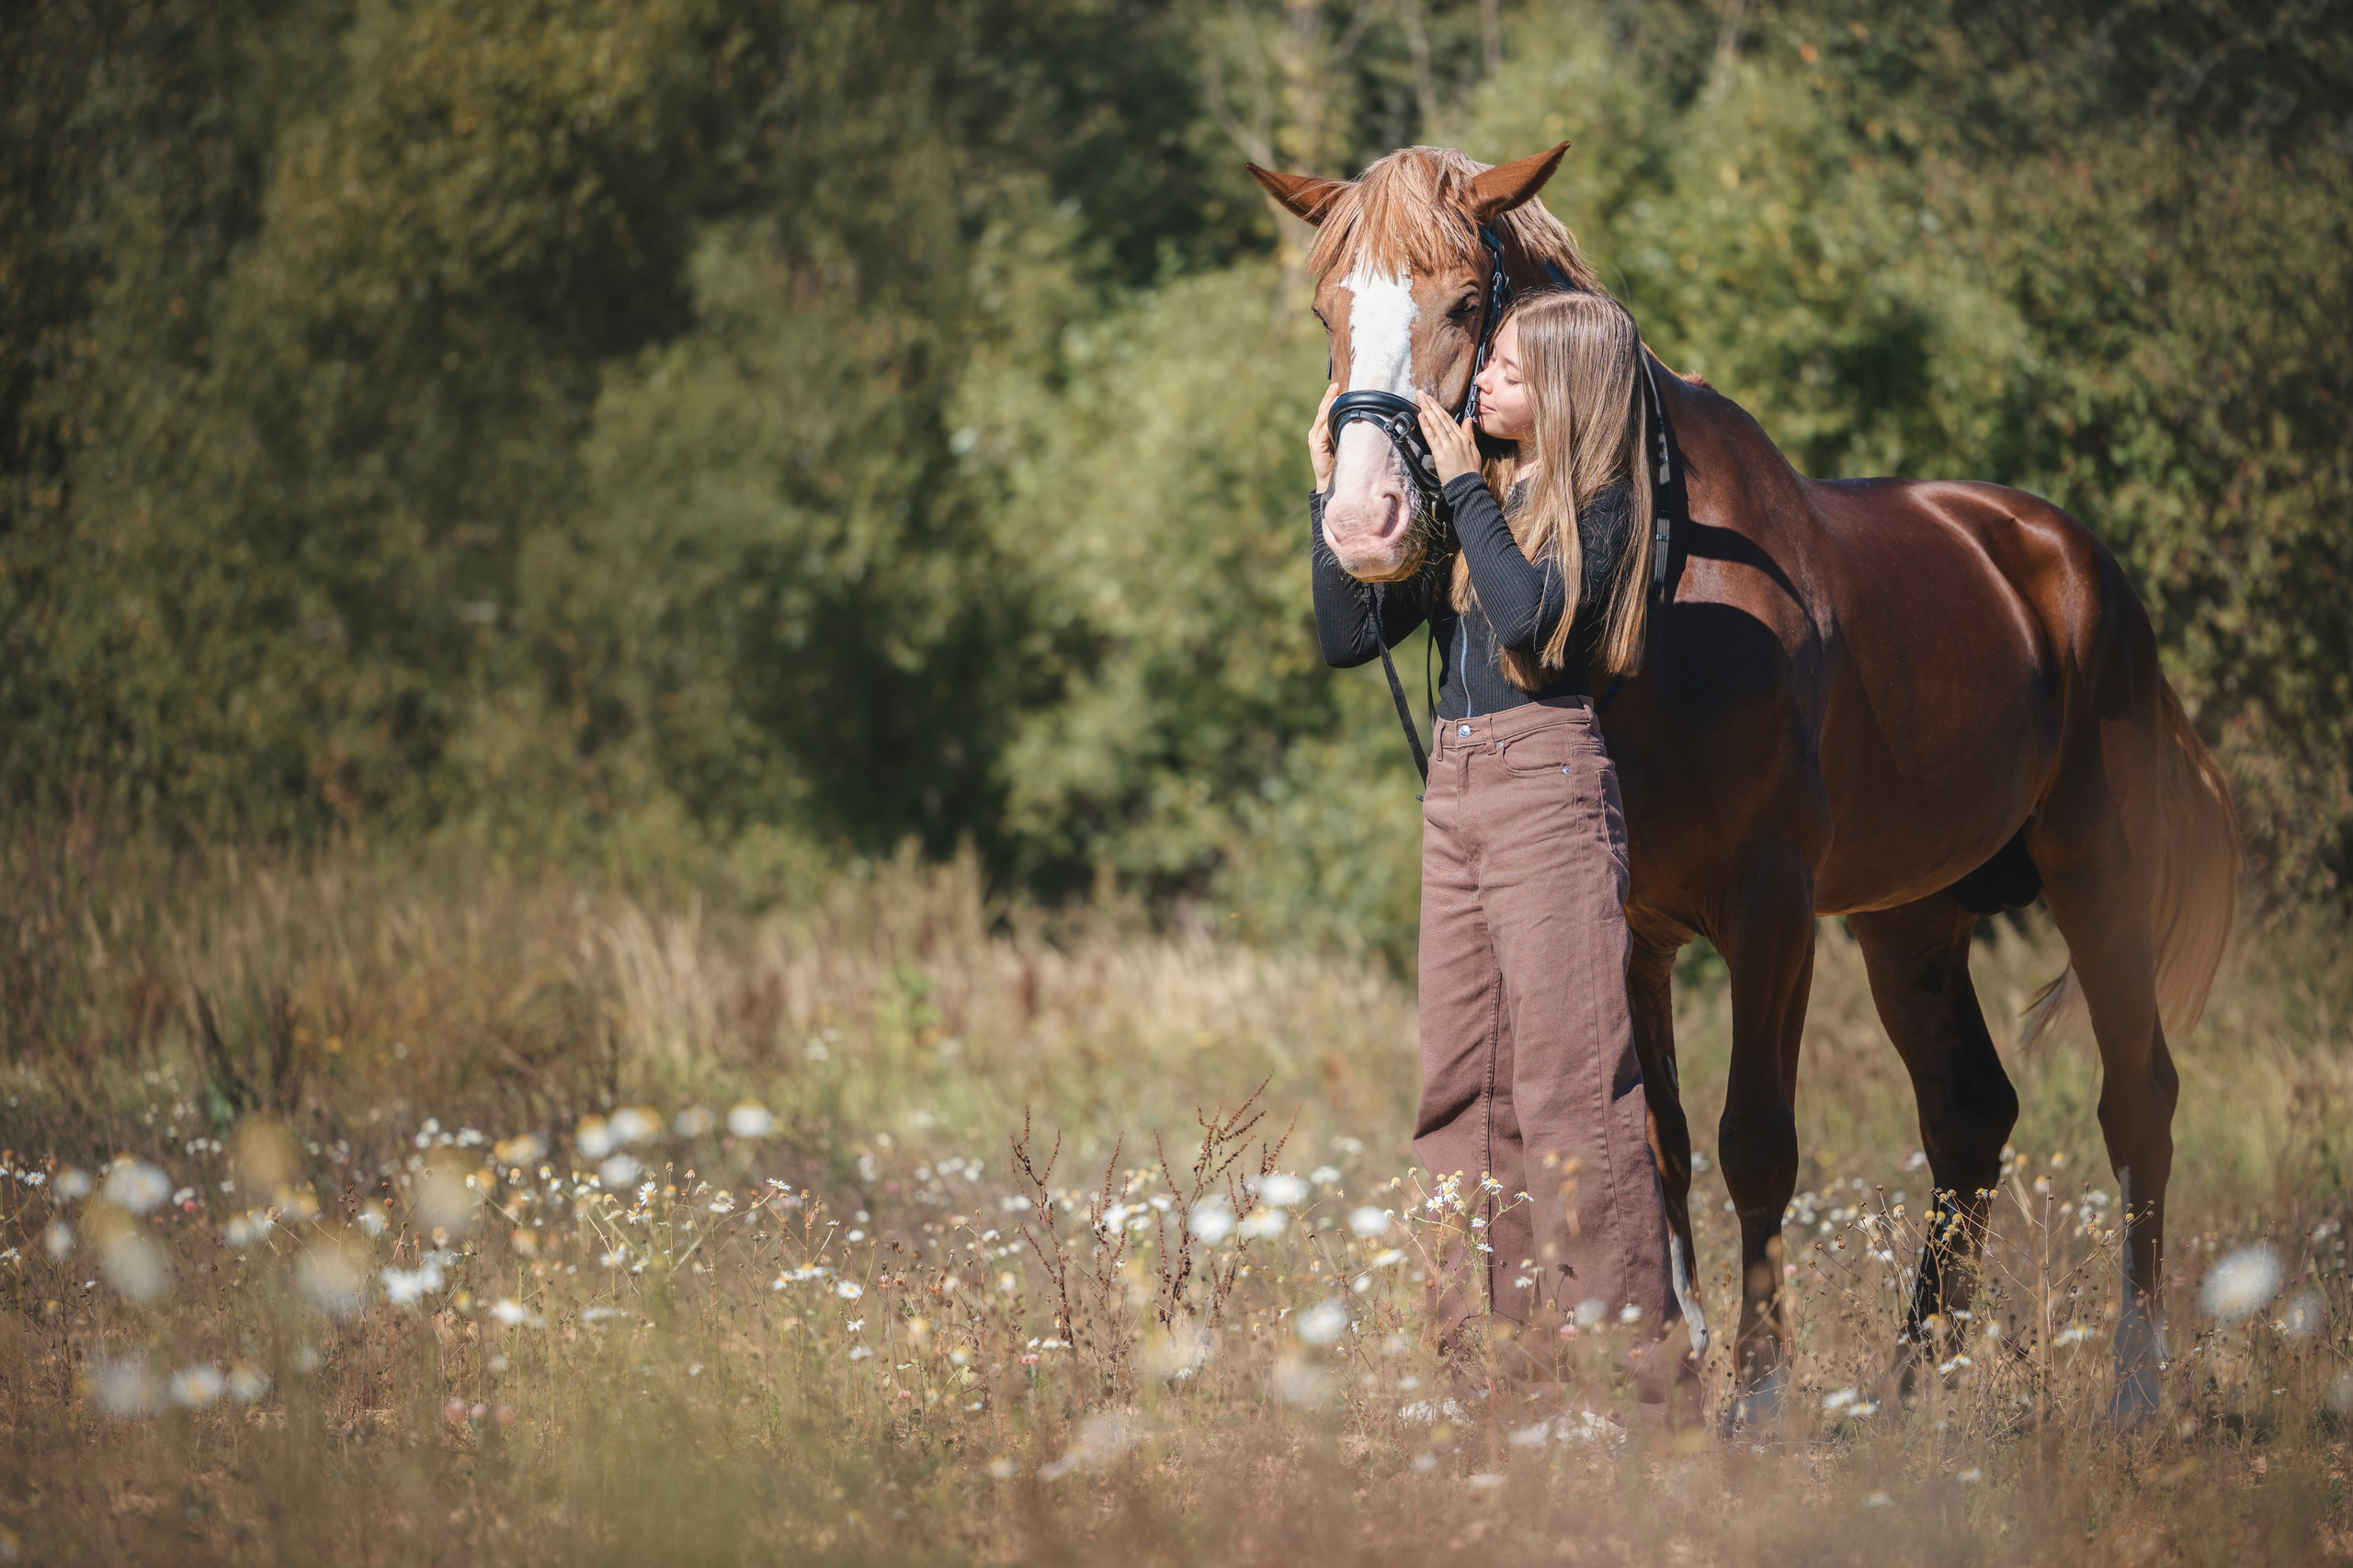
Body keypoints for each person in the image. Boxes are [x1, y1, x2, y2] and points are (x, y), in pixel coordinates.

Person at [1308, 289, 1685, 1401]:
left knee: (1573, 1087)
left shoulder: (1601, 505)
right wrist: (1328, 489)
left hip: (1545, 778)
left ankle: (1625, 1380)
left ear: (1567, 391)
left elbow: (1527, 620)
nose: (1479, 383)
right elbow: (1344, 635)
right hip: (1458, 784)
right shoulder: (1479, 505)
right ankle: (1490, 1375)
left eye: (1510, 372)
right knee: (1463, 1093)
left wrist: (1464, 483)